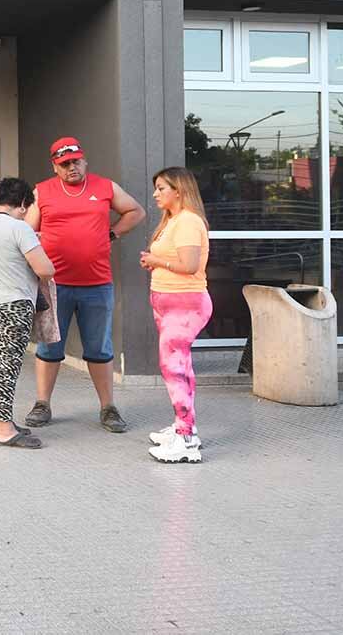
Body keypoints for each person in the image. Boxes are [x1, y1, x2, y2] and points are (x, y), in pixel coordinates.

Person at [24, 137, 146, 433]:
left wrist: (113, 233)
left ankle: (108, 408)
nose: (71, 168)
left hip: (97, 283)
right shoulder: (43, 191)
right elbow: (26, 230)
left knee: (99, 348)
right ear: (55, 166)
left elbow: (136, 211)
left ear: (85, 161)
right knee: (50, 346)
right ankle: (42, 403)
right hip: (54, 285)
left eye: (76, 161)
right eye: (64, 164)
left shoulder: (104, 187)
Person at [0, 178, 56, 448]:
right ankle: (5, 429)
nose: (26, 213)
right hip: (12, 305)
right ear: (21, 204)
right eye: (26, 208)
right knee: (8, 365)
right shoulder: (19, 228)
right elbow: (45, 269)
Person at [139, 167, 211, 464]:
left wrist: (157, 260)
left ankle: (184, 439)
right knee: (180, 366)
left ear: (178, 191)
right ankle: (186, 428)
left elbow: (190, 265)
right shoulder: (173, 221)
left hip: (185, 303)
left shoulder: (189, 222)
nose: (155, 194)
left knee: (173, 368)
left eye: (161, 188)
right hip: (168, 302)